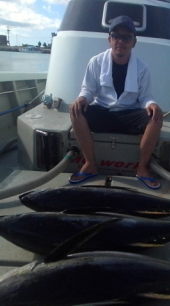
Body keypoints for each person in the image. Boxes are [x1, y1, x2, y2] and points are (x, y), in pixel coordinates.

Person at [69, 15, 163, 189]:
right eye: (116, 36)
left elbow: (145, 98)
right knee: (76, 111)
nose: (121, 41)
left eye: (126, 37)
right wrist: (82, 98)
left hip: (128, 115)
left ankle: (142, 168)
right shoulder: (95, 62)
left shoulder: (142, 68)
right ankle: (90, 164)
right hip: (103, 112)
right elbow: (88, 91)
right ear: (110, 40)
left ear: (134, 42)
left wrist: (152, 104)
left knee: (156, 117)